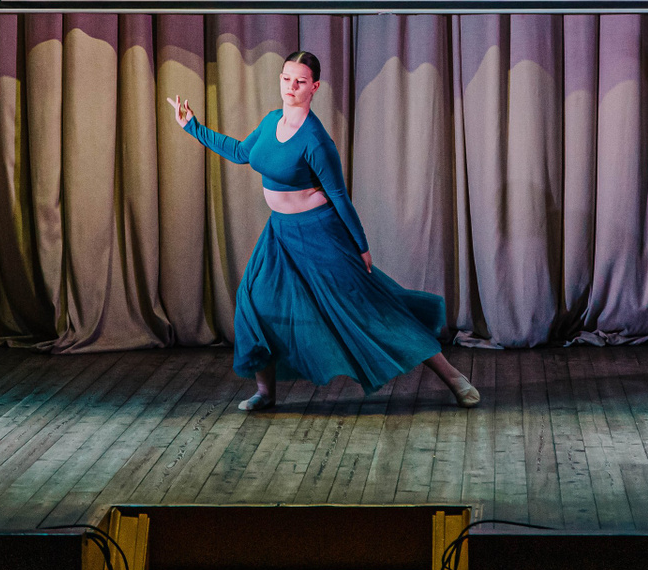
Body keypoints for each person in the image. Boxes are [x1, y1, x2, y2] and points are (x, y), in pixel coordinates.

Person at [167, 50, 479, 411]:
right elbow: (240, 152)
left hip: (320, 235)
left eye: (300, 82)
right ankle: (265, 393)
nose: (291, 87)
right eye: (286, 79)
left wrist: (361, 246)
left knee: (372, 309)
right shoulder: (271, 122)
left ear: (314, 87)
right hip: (279, 234)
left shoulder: (315, 140)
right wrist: (193, 126)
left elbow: (339, 197)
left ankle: (454, 378)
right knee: (253, 301)